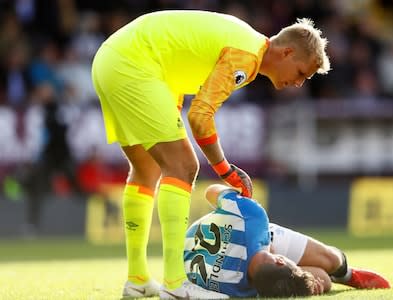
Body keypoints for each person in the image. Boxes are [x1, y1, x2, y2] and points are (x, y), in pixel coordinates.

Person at [90, 10, 330, 299]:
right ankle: (176, 284)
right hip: (135, 65)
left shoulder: (246, 42)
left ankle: (138, 278)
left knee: (147, 170)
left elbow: (178, 58)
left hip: (112, 60)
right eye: (301, 72)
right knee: (183, 166)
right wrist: (226, 170)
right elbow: (201, 117)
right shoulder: (246, 55)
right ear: (287, 52)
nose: (299, 83)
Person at [184, 184, 391, 298]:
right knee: (323, 281)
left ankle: (346, 274)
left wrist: (230, 209)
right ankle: (332, 277)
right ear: (281, 260)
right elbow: (211, 191)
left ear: (280, 259)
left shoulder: (236, 288)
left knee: (330, 260)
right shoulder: (254, 215)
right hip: (197, 246)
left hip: (244, 236)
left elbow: (211, 190)